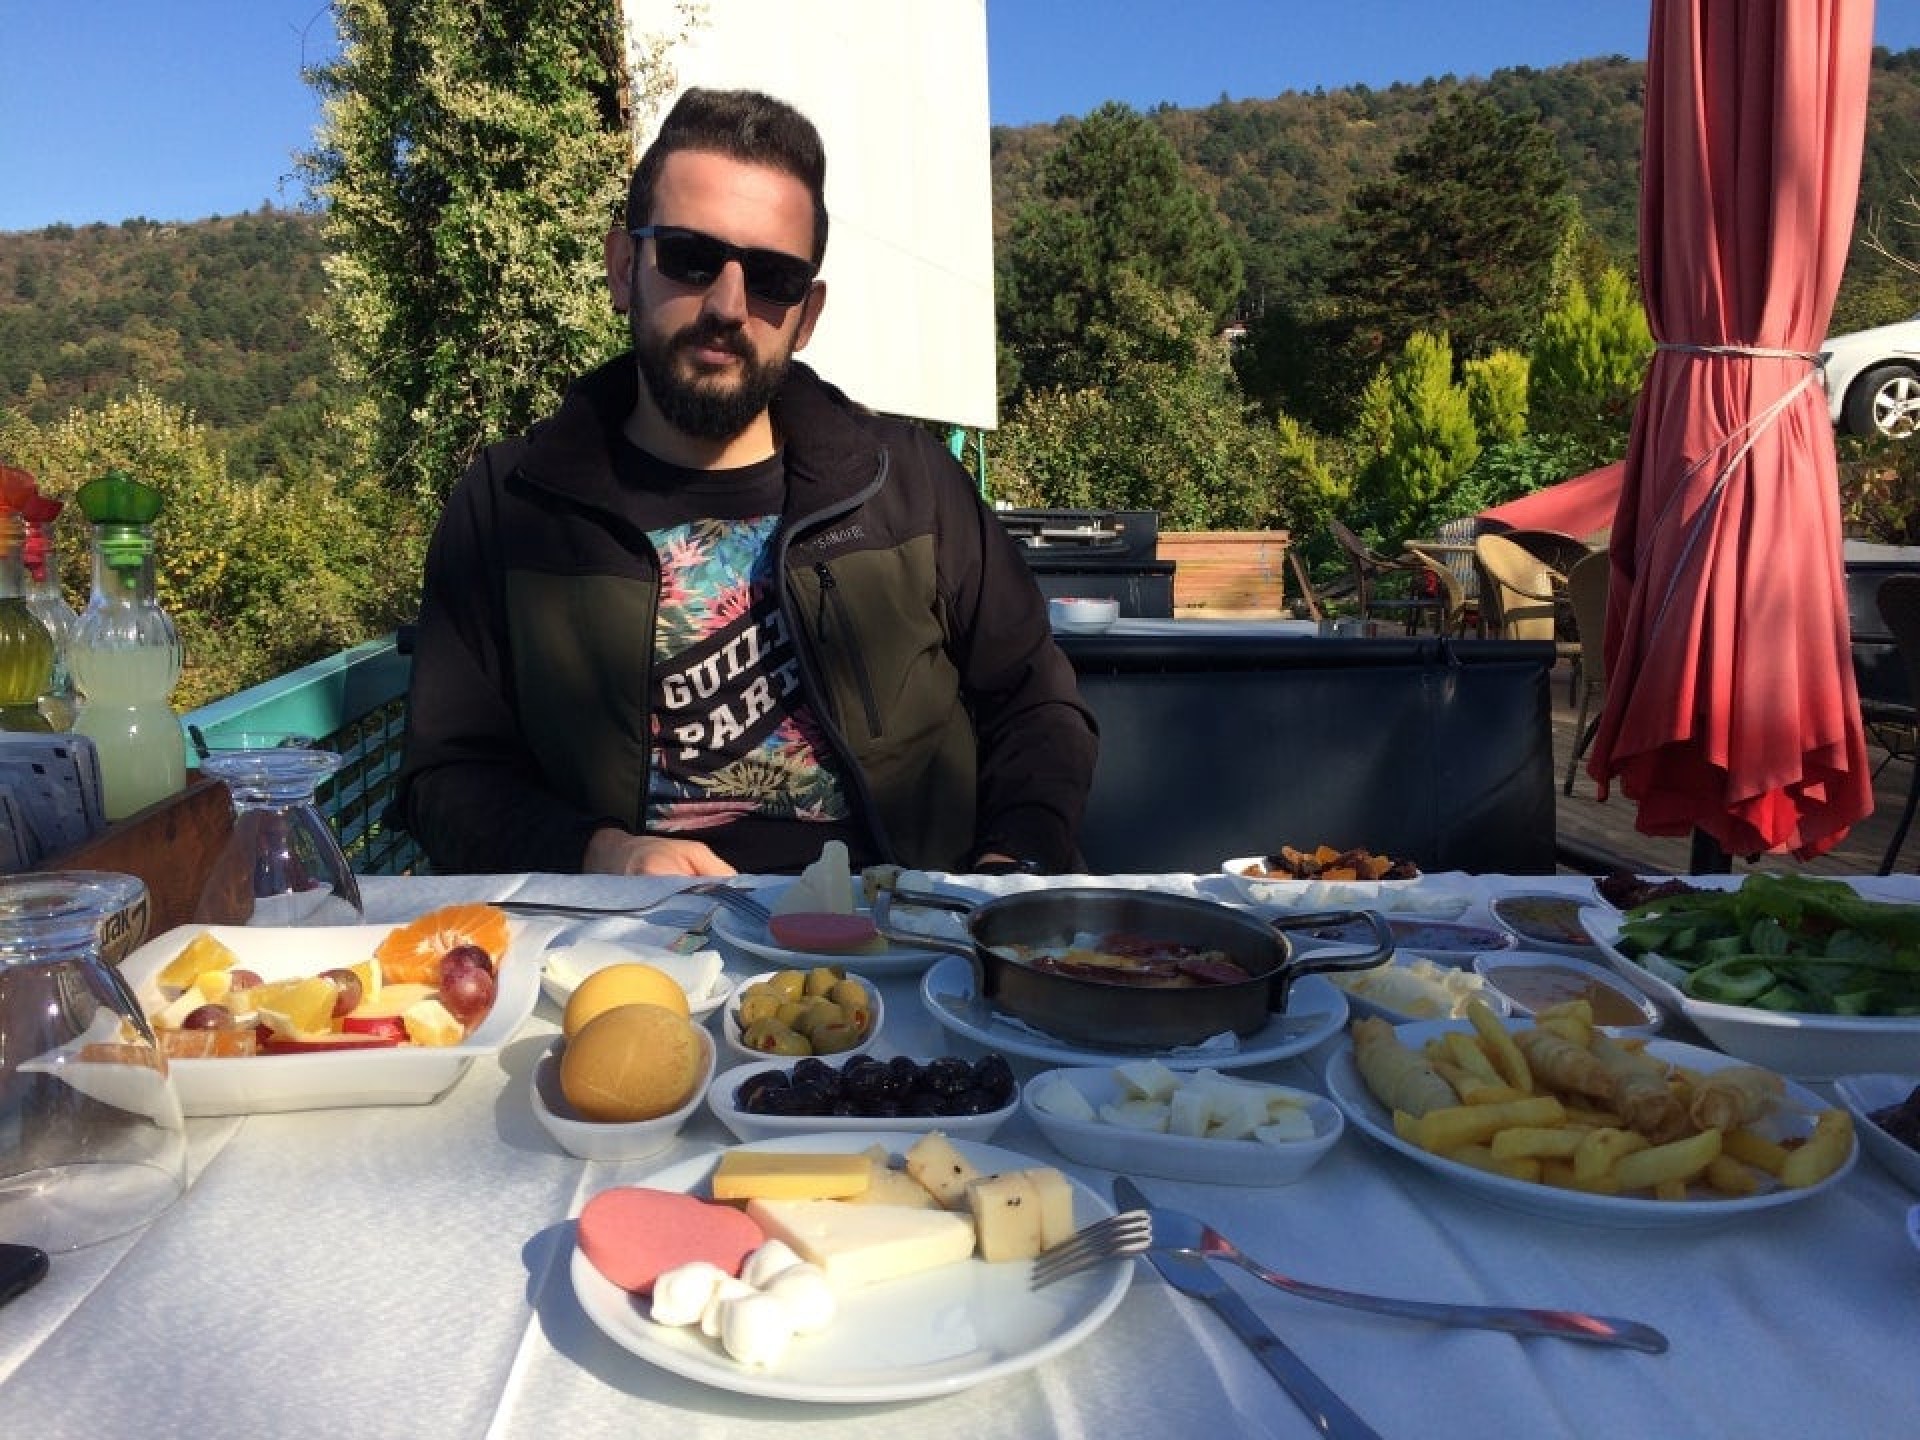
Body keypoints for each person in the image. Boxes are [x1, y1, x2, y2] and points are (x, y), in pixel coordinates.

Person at [394, 87, 1098, 877]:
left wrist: (1007, 873)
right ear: (624, 268)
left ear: (807, 315)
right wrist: (603, 855)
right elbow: (445, 776)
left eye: (773, 277)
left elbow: (1037, 704)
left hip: (901, 930)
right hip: (630, 936)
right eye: (690, 258)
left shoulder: (910, 487)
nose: (729, 305)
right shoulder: (510, 504)